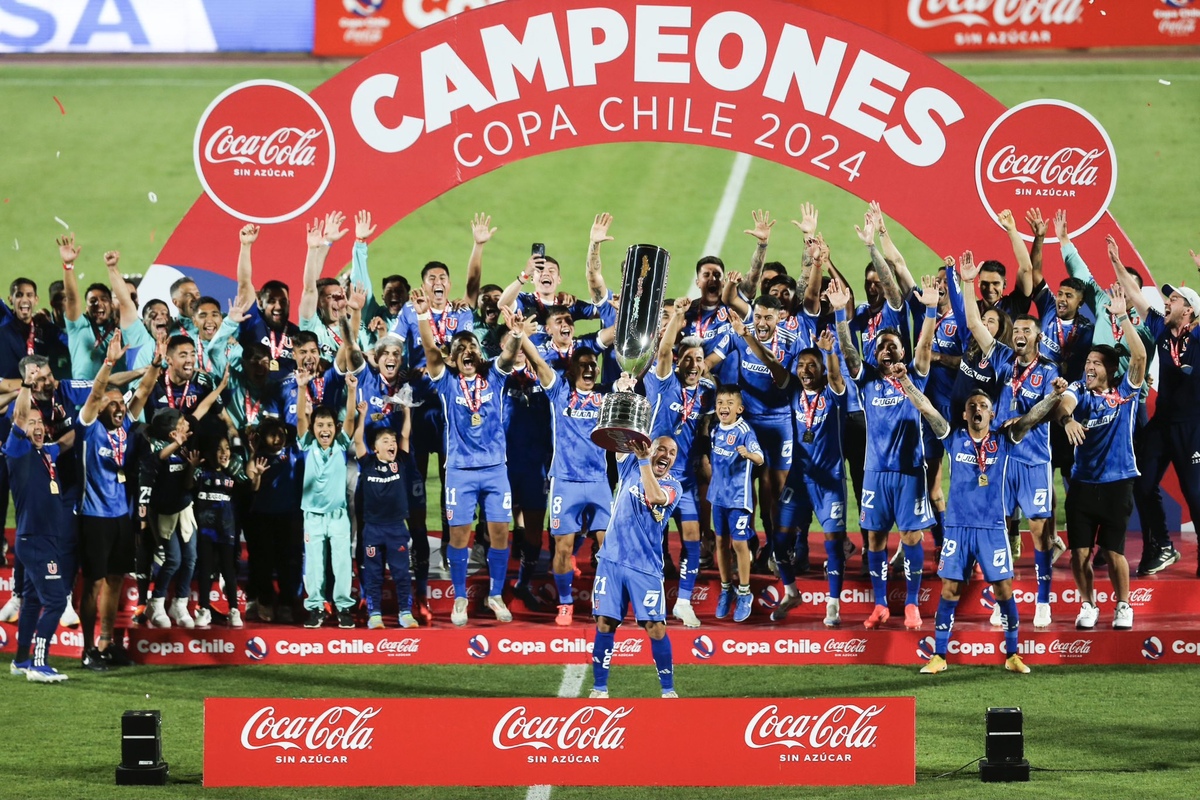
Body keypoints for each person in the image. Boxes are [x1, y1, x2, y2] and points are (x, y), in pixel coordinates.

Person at [900, 372, 1066, 675]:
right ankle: (939, 655)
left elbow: (1030, 419)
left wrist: (1054, 396)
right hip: (959, 528)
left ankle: (1013, 654)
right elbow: (926, 408)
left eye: (983, 405)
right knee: (950, 589)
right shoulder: (953, 437)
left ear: (992, 412)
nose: (977, 409)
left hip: (992, 528)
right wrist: (906, 382)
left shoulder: (1004, 440)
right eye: (972, 405)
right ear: (965, 413)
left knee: (1004, 589)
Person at [831, 222, 936, 631]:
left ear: (904, 351)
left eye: (893, 345)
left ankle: (910, 604)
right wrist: (841, 314)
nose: (887, 348)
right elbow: (848, 353)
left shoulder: (916, 375)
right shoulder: (868, 380)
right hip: (875, 473)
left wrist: (928, 311)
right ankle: (879, 605)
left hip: (909, 472)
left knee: (911, 538)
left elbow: (925, 345)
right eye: (881, 346)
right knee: (874, 539)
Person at [959, 251, 1064, 628]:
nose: (1019, 335)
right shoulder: (1003, 360)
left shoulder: (1049, 372)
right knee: (1001, 530)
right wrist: (969, 283)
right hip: (1002, 460)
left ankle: (1043, 601)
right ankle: (1005, 604)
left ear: (1038, 337)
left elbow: (1045, 412)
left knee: (1039, 533)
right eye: (1016, 331)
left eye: (1026, 332)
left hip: (1034, 462)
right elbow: (974, 323)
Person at [412, 286, 522, 626]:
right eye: (460, 348)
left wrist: (516, 335)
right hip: (460, 470)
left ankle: (495, 594)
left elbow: (507, 357)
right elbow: (431, 351)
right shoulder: (446, 383)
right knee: (459, 536)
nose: (468, 351)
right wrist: (421, 316)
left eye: (472, 346)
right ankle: (460, 595)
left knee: (500, 533)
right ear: (453, 357)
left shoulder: (495, 377)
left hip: (494, 470)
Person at [1054, 284, 1146, 630]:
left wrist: (1122, 316)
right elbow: (1066, 404)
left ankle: (1124, 605)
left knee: (1113, 551)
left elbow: (1138, 358)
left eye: (1095, 363)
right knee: (1079, 553)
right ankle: (1088, 604)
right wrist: (1067, 420)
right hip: (1082, 483)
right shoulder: (1079, 390)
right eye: (1088, 362)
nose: (1089, 366)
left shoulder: (1125, 393)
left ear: (1108, 368)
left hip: (1117, 482)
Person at [521, 333, 625, 626]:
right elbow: (540, 363)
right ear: (571, 370)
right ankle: (565, 603)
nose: (590, 369)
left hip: (598, 482)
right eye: (583, 365)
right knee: (563, 547)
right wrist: (519, 335)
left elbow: (633, 375)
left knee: (608, 548)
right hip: (564, 482)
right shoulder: (560, 392)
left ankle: (606, 601)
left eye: (593, 364)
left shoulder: (606, 396)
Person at [1109, 237, 1195, 576]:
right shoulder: (1160, 327)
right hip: (1163, 423)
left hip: (1194, 426)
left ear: (1188, 309)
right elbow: (1135, 295)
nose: (1167, 299)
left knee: (1197, 494)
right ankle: (1161, 545)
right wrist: (1117, 263)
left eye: (1174, 298)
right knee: (1142, 484)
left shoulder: (1199, 335)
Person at [77, 333, 160, 669]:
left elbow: (143, 391)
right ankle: (86, 650)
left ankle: (106, 642)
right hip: (93, 516)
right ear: (99, 407)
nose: (119, 407)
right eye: (112, 404)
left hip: (120, 516)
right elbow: (98, 392)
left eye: (120, 404)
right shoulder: (88, 426)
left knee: (115, 579)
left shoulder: (124, 426)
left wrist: (154, 365)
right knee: (94, 581)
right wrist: (109, 363)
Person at [589, 436, 682, 700]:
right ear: (651, 449)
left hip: (645, 567)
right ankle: (599, 689)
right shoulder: (629, 464)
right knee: (605, 623)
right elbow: (619, 438)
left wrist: (644, 459)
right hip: (611, 561)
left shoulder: (673, 485)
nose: (667, 455)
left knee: (656, 627)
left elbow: (655, 496)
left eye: (672, 452)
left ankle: (668, 690)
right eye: (662, 448)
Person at [646, 300, 715, 628]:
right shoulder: (664, 381)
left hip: (685, 480)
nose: (693, 364)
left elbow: (703, 433)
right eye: (688, 358)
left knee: (692, 537)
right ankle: (653, 597)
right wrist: (676, 317)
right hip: (657, 478)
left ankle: (684, 601)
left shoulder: (706, 392)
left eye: (699, 359)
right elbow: (663, 351)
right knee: (652, 541)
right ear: (679, 361)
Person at [772, 330, 849, 627]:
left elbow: (837, 379)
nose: (806, 370)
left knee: (833, 541)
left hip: (829, 481)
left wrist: (828, 352)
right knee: (779, 540)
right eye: (802, 365)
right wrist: (747, 335)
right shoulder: (794, 392)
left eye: (811, 365)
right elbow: (774, 366)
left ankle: (833, 605)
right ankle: (791, 592)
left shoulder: (832, 394)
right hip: (798, 479)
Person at [6, 371, 71, 682]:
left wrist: (79, 416)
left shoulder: (47, 454)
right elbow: (19, 416)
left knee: (32, 601)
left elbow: (68, 439)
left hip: (45, 538)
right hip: (36, 540)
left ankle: (20, 660)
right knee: (56, 601)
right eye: (31, 423)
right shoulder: (18, 452)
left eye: (40, 423)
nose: (37, 427)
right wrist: (28, 387)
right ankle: (38, 664)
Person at [296, 368, 359, 629]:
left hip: (338, 515)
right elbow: (301, 417)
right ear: (313, 428)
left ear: (335, 428)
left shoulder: (341, 445)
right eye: (320, 425)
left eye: (329, 425)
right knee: (314, 566)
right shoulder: (307, 443)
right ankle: (316, 608)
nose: (325, 429)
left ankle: (344, 607)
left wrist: (352, 391)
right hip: (312, 516)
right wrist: (302, 388)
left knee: (342, 563)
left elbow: (351, 421)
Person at [353, 400, 419, 629]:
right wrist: (362, 416)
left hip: (396, 528)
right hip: (372, 529)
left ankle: (405, 613)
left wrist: (407, 411)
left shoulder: (400, 461)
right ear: (375, 448)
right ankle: (375, 614)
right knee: (373, 575)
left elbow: (405, 436)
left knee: (401, 574)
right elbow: (357, 439)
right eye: (385, 441)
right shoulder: (367, 462)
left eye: (393, 441)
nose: (391, 444)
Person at [706, 383, 765, 623]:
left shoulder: (745, 431)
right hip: (717, 497)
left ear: (739, 408)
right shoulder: (714, 430)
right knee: (720, 542)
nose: (724, 407)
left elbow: (760, 458)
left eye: (729, 403)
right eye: (720, 402)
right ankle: (725, 588)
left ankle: (744, 591)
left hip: (739, 498)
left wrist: (748, 454)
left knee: (739, 544)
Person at [192, 436, 258, 628]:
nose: (224, 453)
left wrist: (253, 455)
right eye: (219, 449)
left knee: (228, 570)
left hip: (227, 528)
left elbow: (250, 483)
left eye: (227, 448)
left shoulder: (234, 473)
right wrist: (191, 467)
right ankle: (204, 608)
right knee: (205, 569)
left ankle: (234, 610)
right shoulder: (201, 472)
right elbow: (188, 485)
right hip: (205, 529)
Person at [58, 234, 121, 380]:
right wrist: (68, 265)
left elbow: (127, 303)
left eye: (103, 299)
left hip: (116, 395)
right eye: (93, 301)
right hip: (84, 396)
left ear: (112, 305)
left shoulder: (119, 329)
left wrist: (113, 268)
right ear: (86, 308)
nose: (98, 303)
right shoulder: (78, 326)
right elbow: (72, 299)